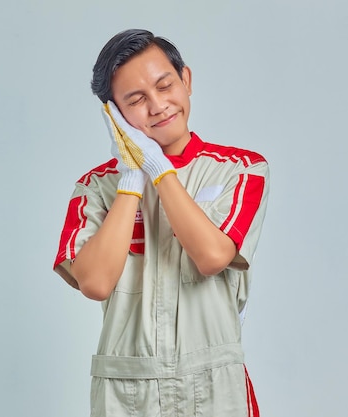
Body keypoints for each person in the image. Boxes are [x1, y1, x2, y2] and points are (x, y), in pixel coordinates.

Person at [54, 28, 269, 417]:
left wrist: (156, 166)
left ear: (185, 80)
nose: (158, 106)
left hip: (214, 385)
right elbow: (96, 283)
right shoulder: (95, 188)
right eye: (136, 100)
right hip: (125, 391)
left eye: (164, 86)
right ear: (114, 114)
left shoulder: (240, 169)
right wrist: (131, 179)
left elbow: (212, 256)